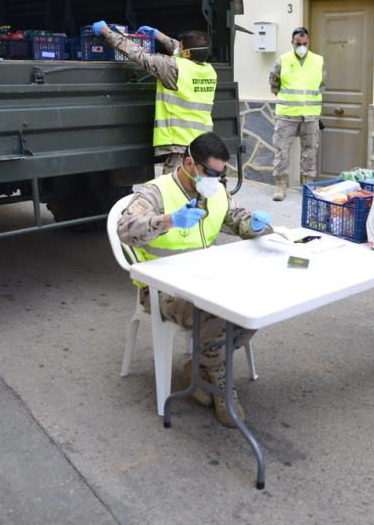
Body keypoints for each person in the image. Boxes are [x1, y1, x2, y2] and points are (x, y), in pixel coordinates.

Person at [116, 131, 272, 427]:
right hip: (161, 290)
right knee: (217, 315)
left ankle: (199, 369)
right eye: (211, 172)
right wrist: (168, 220)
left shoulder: (216, 192)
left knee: (257, 303)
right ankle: (221, 385)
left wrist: (253, 224)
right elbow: (125, 229)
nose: (217, 179)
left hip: (206, 280)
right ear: (189, 163)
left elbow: (236, 218)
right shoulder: (155, 192)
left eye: (221, 174)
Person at [93, 21, 217, 174]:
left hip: (181, 144)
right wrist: (159, 35)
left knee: (175, 190)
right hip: (201, 142)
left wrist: (107, 32)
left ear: (186, 53)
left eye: (182, 46)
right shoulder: (209, 70)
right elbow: (182, 50)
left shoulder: (173, 69)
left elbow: (139, 54)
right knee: (198, 185)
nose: (179, 47)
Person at [270, 26, 326, 201]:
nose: (301, 46)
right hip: (287, 114)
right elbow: (274, 82)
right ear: (292, 43)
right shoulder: (283, 60)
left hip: (310, 115)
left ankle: (307, 185)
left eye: (304, 43)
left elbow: (322, 84)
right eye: (298, 43)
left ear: (309, 42)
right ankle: (280, 186)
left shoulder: (318, 61)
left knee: (310, 151)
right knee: (282, 151)